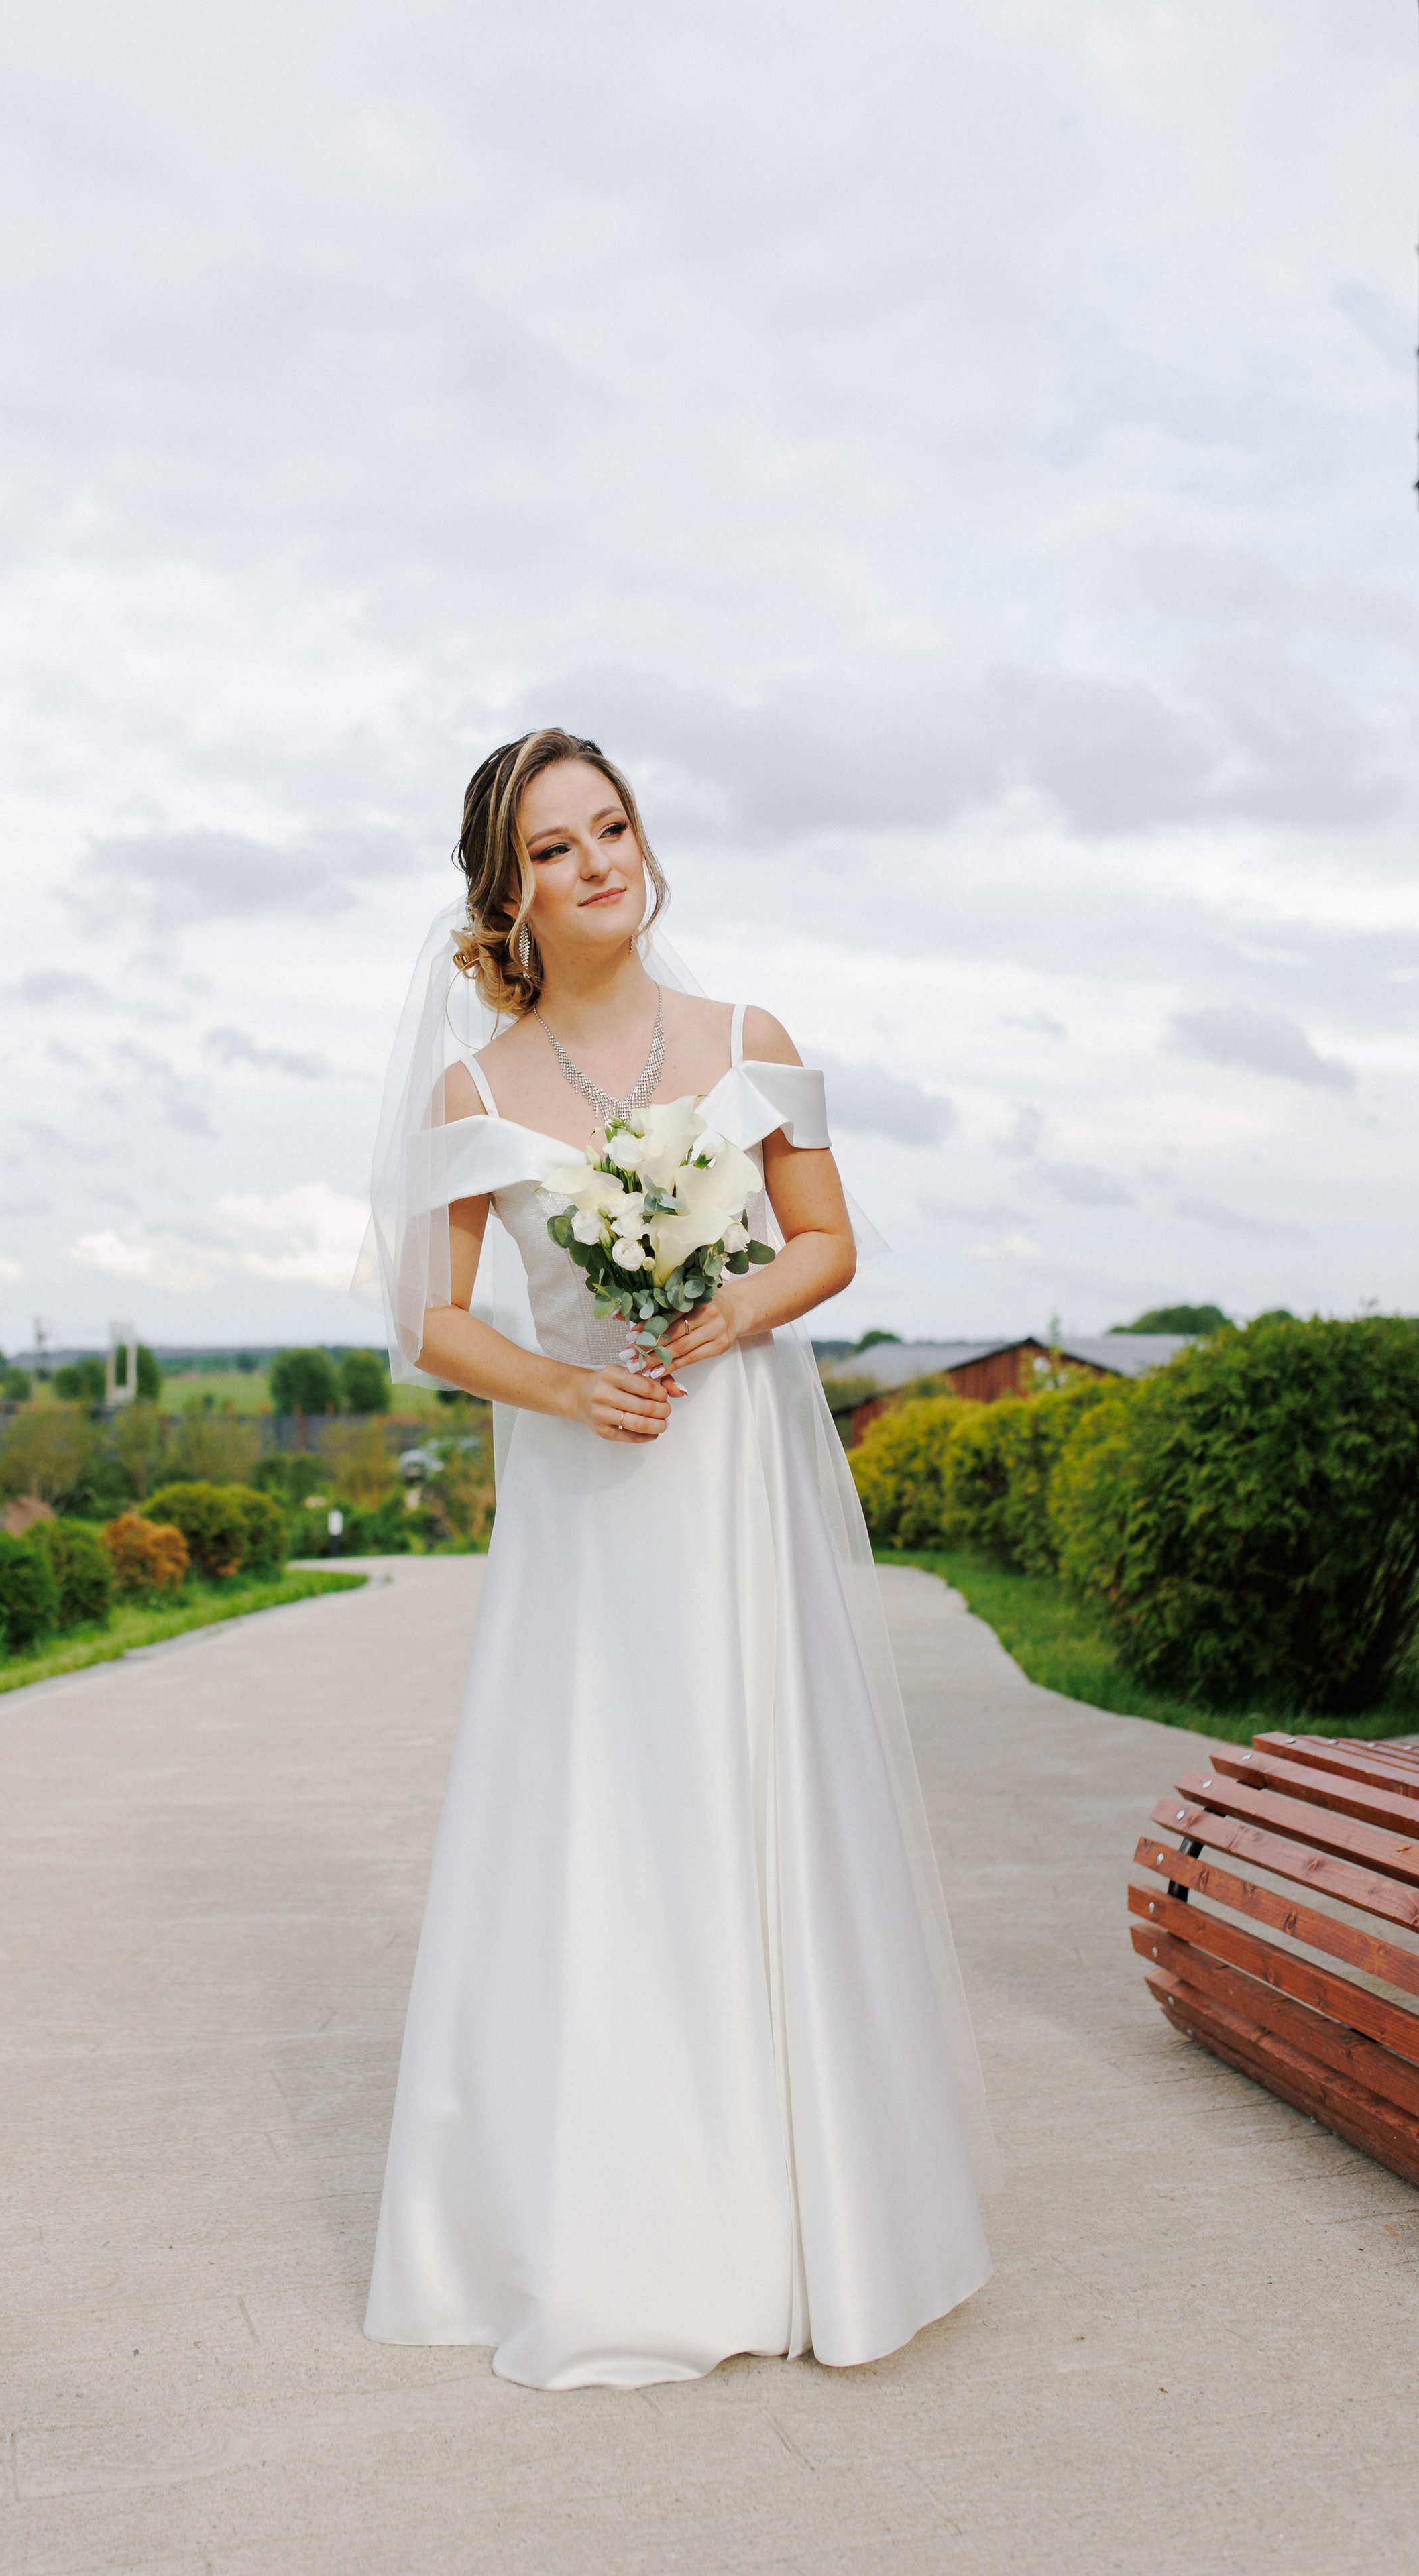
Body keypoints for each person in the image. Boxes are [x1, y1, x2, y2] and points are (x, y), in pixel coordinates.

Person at [359, 728, 994, 2392]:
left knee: (756, 1792)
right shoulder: (474, 1092)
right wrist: (564, 1381)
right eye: (555, 849)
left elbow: (829, 1241)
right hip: (590, 1492)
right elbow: (430, 1321)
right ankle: (613, 2225)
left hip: (730, 1475)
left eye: (614, 828)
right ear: (507, 892)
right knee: (602, 1823)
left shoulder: (744, 1036)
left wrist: (729, 1310)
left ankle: (808, 2223)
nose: (598, 865)